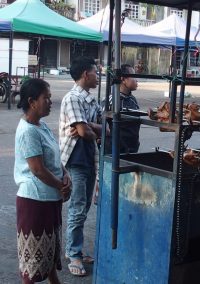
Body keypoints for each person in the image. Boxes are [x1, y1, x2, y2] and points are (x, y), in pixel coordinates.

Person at [14, 78, 72, 284]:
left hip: (50, 199)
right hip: (35, 202)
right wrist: (61, 186)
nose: (50, 102)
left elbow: (54, 158)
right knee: (33, 260)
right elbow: (38, 169)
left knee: (49, 251)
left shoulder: (42, 126)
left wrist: (65, 175)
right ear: (32, 102)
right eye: (45, 98)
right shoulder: (28, 131)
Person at [59, 56, 102, 276]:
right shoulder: (72, 98)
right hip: (75, 160)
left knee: (84, 208)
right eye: (95, 72)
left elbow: (100, 129)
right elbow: (84, 132)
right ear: (86, 74)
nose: (98, 75)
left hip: (88, 157)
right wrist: (89, 129)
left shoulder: (91, 101)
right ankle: (73, 253)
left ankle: (74, 248)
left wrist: (89, 127)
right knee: (77, 209)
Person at [104, 64, 140, 153]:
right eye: (133, 76)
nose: (137, 80)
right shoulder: (111, 100)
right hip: (114, 152)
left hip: (132, 150)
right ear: (123, 79)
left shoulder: (133, 99)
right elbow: (101, 122)